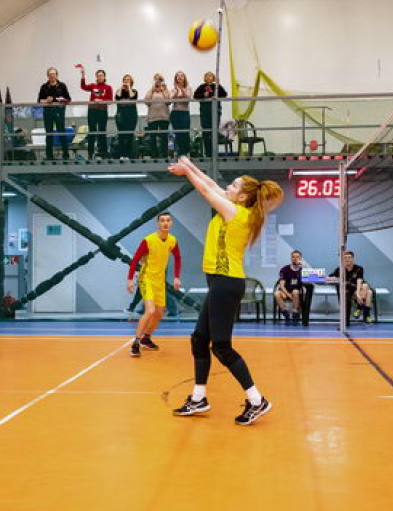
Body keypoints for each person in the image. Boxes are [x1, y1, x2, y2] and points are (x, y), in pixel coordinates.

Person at [168, 156, 283, 425]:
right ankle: (199, 398)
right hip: (220, 283)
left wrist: (187, 172)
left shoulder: (236, 213)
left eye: (233, 185)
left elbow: (205, 190)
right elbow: (211, 184)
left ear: (242, 196)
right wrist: (190, 165)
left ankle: (257, 400)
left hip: (226, 282)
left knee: (221, 347)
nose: (227, 187)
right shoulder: (234, 206)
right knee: (199, 339)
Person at [126, 212, 182, 357]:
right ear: (158, 224)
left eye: (168, 220)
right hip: (147, 278)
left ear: (171, 223)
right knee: (150, 311)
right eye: (162, 220)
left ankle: (146, 338)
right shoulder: (148, 240)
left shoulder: (172, 240)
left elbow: (177, 258)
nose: (165, 223)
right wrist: (130, 279)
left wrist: (176, 277)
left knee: (159, 313)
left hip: (159, 281)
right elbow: (135, 260)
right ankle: (136, 343)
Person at [327, 251, 372, 325]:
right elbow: (329, 277)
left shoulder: (359, 268)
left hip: (358, 288)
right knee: (369, 292)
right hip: (349, 291)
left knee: (365, 286)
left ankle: (360, 309)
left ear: (353, 258)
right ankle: (365, 314)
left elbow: (359, 281)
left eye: (349, 257)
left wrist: (358, 294)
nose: (347, 259)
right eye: (345, 258)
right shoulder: (340, 269)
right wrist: (334, 278)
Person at [38, 67, 72, 160]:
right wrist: (47, 101)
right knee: (49, 134)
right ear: (47, 76)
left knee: (62, 132)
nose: (52, 76)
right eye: (50, 74)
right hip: (48, 112)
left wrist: (57, 100)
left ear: (57, 75)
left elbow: (68, 99)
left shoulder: (62, 86)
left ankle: (66, 154)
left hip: (59, 112)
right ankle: (49, 155)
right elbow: (39, 101)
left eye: (53, 74)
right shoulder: (44, 87)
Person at [79, 66, 113, 158]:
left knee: (102, 131)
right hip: (92, 111)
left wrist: (102, 101)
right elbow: (83, 87)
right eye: (98, 76)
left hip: (102, 111)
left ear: (104, 77)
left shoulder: (108, 87)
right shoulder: (93, 86)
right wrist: (83, 76)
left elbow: (110, 100)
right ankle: (90, 153)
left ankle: (103, 152)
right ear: (96, 77)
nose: (100, 77)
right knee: (92, 131)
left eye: (101, 76)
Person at [194, 71, 227, 157]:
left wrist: (219, 85)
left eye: (210, 76)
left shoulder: (216, 87)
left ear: (213, 78)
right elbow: (195, 96)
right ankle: (208, 153)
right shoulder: (202, 87)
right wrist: (203, 95)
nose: (209, 77)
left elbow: (224, 94)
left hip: (215, 111)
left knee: (214, 131)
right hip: (205, 112)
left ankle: (214, 153)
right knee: (206, 131)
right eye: (207, 76)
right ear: (205, 78)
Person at [274, 250, 303, 325]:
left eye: (297, 257)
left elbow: (307, 281)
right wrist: (288, 295)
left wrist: (303, 268)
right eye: (293, 257)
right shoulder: (285, 269)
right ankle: (286, 314)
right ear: (291, 258)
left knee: (295, 292)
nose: (295, 259)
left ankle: (295, 314)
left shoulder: (302, 269)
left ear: (300, 258)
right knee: (277, 294)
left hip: (296, 292)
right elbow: (281, 286)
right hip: (285, 291)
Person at [145, 74, 171, 159]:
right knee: (152, 137)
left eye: (160, 79)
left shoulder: (166, 90)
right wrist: (152, 90)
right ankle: (154, 155)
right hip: (152, 117)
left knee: (164, 137)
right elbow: (146, 102)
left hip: (164, 117)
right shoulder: (151, 90)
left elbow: (169, 101)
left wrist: (163, 90)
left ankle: (164, 155)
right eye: (156, 79)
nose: (158, 81)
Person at [114, 74, 139, 159]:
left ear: (131, 81)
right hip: (121, 115)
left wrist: (129, 88)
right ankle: (122, 155)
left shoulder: (134, 91)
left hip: (131, 115)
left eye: (128, 79)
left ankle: (129, 155)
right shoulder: (119, 91)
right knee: (121, 135)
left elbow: (132, 97)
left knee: (130, 135)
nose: (126, 81)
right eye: (125, 79)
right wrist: (121, 88)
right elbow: (117, 97)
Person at [169, 71, 193, 156]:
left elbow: (188, 99)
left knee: (185, 133)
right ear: (176, 78)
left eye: (181, 76)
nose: (179, 77)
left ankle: (186, 152)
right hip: (175, 113)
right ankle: (180, 152)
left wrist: (182, 90)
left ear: (184, 78)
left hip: (184, 112)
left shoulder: (188, 88)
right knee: (178, 133)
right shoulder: (173, 89)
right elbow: (170, 100)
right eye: (178, 76)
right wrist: (176, 92)